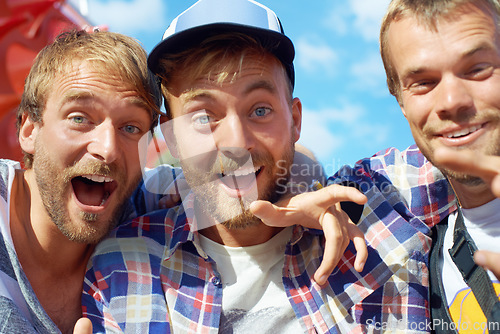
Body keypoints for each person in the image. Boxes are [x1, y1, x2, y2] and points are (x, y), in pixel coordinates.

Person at [81, 0, 457, 332]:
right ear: (171, 135)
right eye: (201, 116)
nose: (235, 142)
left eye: (260, 110)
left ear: (295, 120)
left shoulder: (381, 203)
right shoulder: (121, 267)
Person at [0, 29, 163, 333]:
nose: (108, 149)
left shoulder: (145, 209)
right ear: (29, 130)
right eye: (79, 118)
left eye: (130, 127)